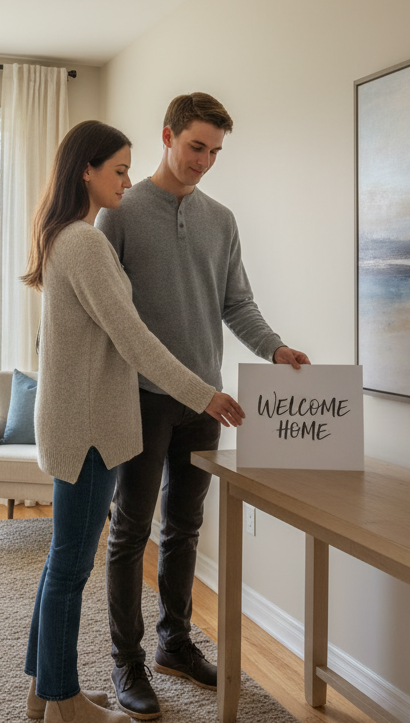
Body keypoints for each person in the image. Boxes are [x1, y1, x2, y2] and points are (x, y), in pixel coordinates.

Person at [21, 119, 246, 723]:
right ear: (86, 171)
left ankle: (46, 690)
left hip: (73, 420)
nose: (126, 179)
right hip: (90, 427)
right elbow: (135, 340)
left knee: (59, 562)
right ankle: (65, 702)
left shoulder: (67, 237)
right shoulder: (88, 243)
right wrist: (206, 395)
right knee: (70, 568)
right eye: (118, 169)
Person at [96, 93, 310, 719]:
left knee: (184, 528)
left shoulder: (222, 219)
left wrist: (275, 348)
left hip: (206, 401)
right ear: (167, 136)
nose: (205, 161)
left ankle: (175, 644)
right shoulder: (123, 212)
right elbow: (114, 316)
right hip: (141, 397)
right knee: (131, 531)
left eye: (215, 152)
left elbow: (235, 302)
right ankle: (126, 662)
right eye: (196, 147)